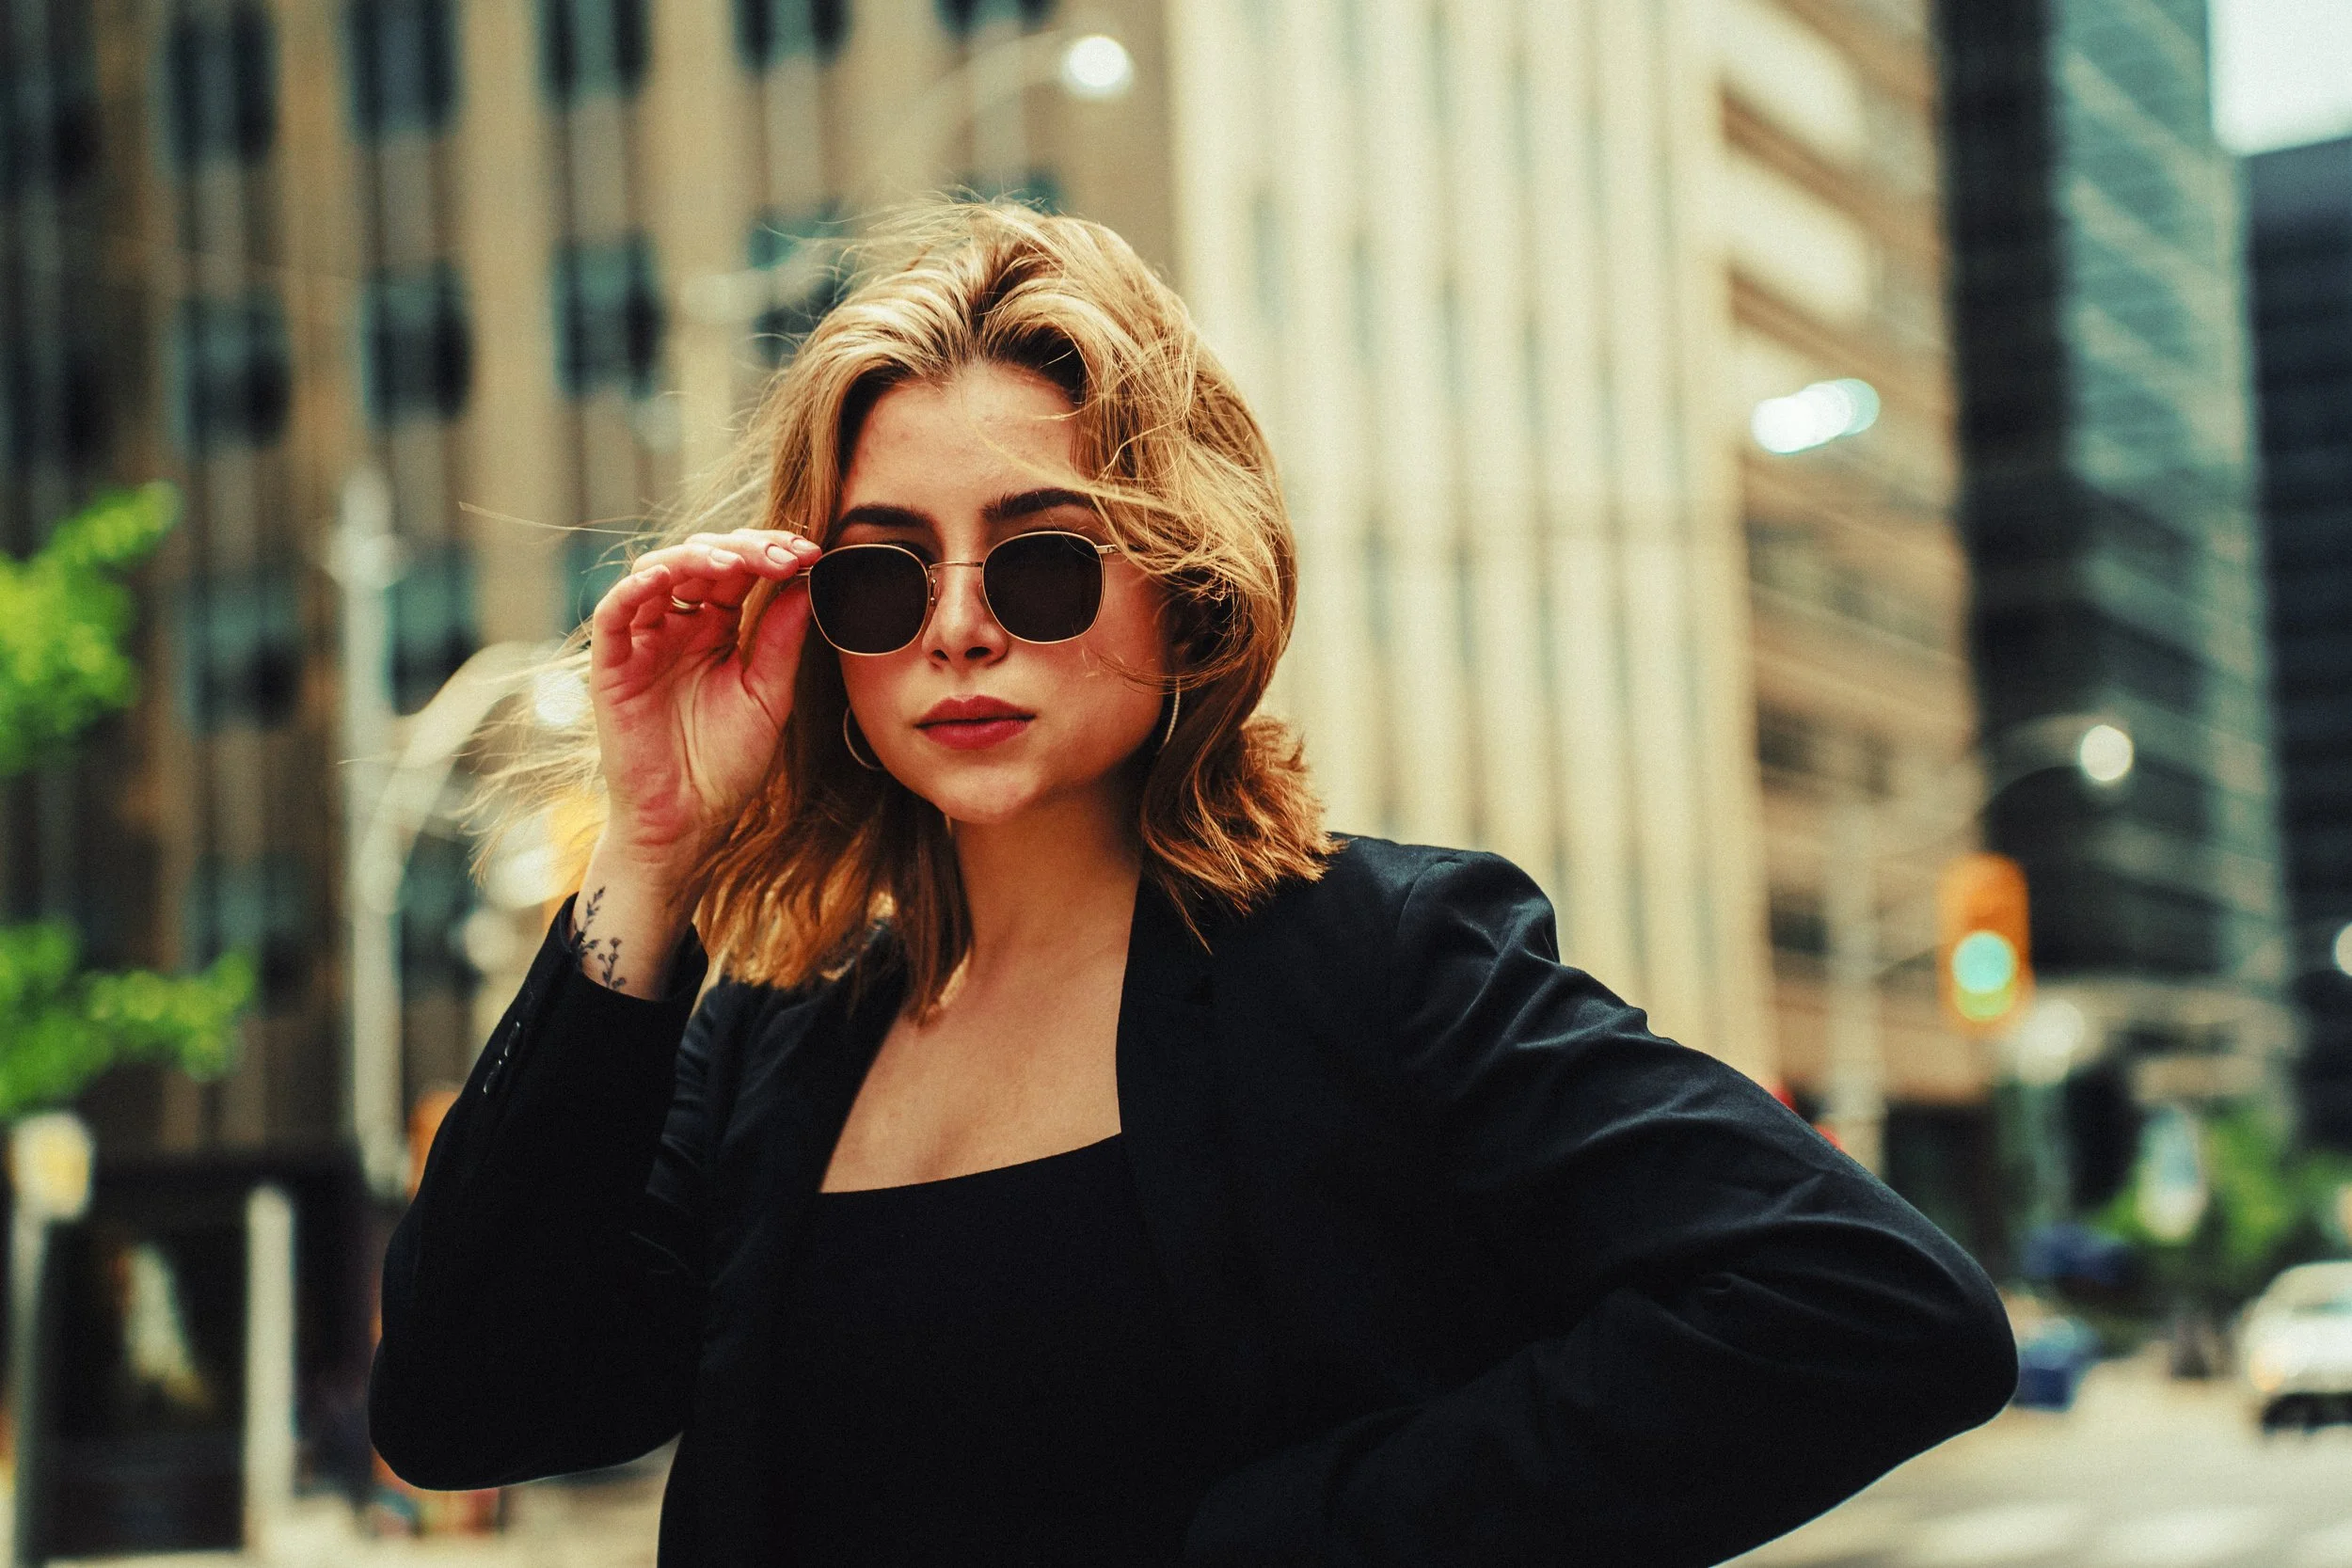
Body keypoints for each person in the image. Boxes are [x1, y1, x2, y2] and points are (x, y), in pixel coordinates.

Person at [370, 201, 2016, 1567]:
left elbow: (1868, 1307)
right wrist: (652, 858)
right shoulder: (776, 1035)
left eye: (1038, 554)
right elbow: (462, 1407)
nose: (958, 624)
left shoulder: (1379, 965)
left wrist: (1301, 1535)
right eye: (884, 571)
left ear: (1189, 583)